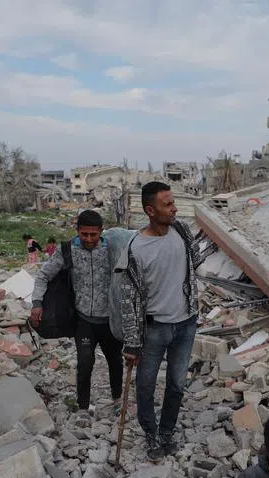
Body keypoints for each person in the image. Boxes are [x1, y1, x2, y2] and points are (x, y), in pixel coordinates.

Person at [116, 181, 206, 461]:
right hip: (153, 329)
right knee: (145, 385)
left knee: (177, 384)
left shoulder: (181, 230)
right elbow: (127, 300)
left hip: (186, 324)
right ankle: (151, 435)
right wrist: (131, 344)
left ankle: (166, 433)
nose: (175, 208)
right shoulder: (135, 249)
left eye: (173, 202)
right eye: (168, 205)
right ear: (150, 210)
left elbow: (195, 261)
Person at [30, 210, 124, 415]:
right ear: (77, 231)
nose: (89, 239)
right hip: (83, 321)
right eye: (84, 234)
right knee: (84, 363)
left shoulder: (113, 250)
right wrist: (37, 303)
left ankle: (118, 400)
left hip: (110, 320)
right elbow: (43, 276)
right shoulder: (67, 250)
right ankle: (83, 407)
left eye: (93, 234)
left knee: (115, 360)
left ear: (101, 232)